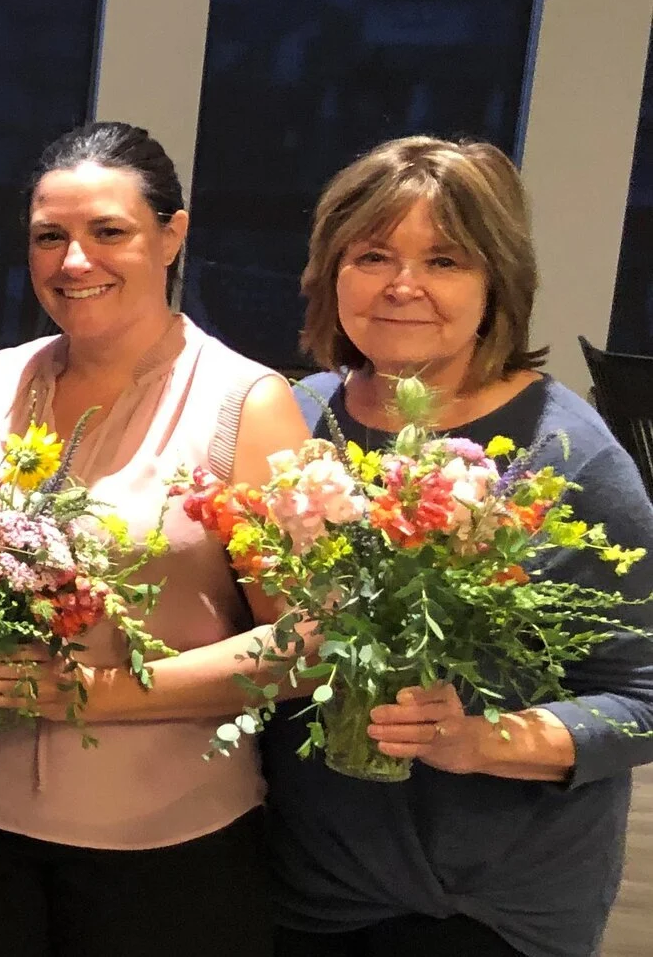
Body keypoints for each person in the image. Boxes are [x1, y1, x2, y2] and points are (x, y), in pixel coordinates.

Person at [0, 122, 313, 957]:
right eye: (49, 237)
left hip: (168, 846)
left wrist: (92, 692)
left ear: (173, 234)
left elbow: (303, 644)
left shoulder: (246, 404)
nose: (73, 262)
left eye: (109, 233)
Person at [269, 136, 653, 957]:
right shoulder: (295, 421)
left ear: (498, 283)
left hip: (479, 911)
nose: (403, 285)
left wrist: (475, 739)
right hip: (298, 882)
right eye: (373, 254)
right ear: (331, 273)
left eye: (444, 260)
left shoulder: (569, 455)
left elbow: (644, 698)